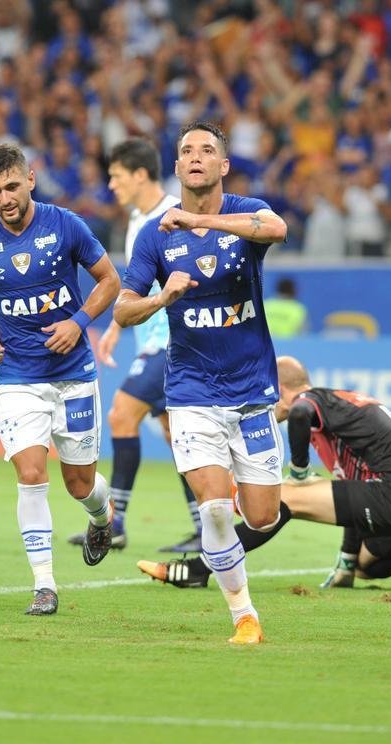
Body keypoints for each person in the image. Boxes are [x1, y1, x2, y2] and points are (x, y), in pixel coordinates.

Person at [114, 121, 289, 645]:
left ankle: (231, 539)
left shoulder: (245, 210)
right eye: (186, 150)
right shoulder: (155, 235)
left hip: (252, 391)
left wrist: (197, 220)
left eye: (206, 150)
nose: (195, 157)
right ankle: (244, 616)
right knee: (214, 506)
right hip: (190, 391)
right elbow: (123, 311)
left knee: (260, 516)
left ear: (223, 165)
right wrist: (161, 300)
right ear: (176, 166)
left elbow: (275, 229)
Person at [0, 143, 121, 617]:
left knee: (80, 484)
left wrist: (78, 321)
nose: (4, 198)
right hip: (17, 376)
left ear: (31, 179)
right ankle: (44, 585)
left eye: (11, 186)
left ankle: (100, 515)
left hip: (73, 375)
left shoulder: (66, 224)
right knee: (31, 473)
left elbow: (109, 279)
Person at [137, 356, 391, 595]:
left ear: (278, 388)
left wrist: (299, 471)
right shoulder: (341, 411)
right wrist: (346, 565)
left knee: (284, 498)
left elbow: (299, 412)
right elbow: (349, 496)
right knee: (369, 567)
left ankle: (200, 569)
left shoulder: (313, 399)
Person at [61, 138, 202, 555]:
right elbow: (136, 286)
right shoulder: (139, 220)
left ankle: (115, 520)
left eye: (117, 176)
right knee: (175, 434)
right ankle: (205, 526)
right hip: (151, 339)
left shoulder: (176, 217)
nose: (111, 184)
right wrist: (117, 329)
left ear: (141, 174)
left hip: (177, 342)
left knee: (122, 414)